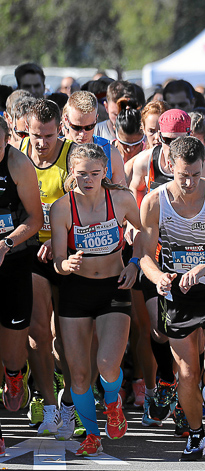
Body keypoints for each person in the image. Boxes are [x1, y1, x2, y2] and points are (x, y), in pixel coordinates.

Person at [138, 136, 205, 460]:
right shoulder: (155, 202)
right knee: (187, 372)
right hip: (179, 292)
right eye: (183, 175)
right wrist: (158, 277)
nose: (189, 182)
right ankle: (196, 434)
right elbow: (143, 255)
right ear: (170, 166)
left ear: (203, 168)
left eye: (196, 175)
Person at [50, 143, 141, 455]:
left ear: (105, 172)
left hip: (113, 289)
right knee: (77, 374)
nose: (87, 179)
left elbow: (145, 234)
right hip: (75, 291)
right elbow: (58, 260)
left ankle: (113, 402)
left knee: (107, 365)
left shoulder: (122, 199)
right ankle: (91, 435)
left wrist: (134, 263)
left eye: (94, 173)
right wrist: (65, 265)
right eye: (81, 174)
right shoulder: (62, 207)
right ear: (71, 174)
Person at [20, 99, 76, 436]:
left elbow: (83, 203)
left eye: (49, 136)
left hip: (67, 248)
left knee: (67, 338)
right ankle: (48, 404)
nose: (42, 143)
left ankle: (72, 403)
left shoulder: (72, 155)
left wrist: (56, 237)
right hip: (30, 250)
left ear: (61, 129)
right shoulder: (18, 153)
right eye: (36, 135)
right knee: (39, 333)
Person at [0, 116, 43, 424]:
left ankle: (15, 373)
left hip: (14, 258)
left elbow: (35, 219)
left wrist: (7, 244)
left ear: (7, 141)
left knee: (13, 348)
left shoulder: (18, 164)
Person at [63, 91, 126, 186]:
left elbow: (123, 196)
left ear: (96, 119)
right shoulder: (55, 149)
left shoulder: (110, 153)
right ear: (66, 120)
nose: (82, 134)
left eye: (89, 127)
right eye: (76, 127)